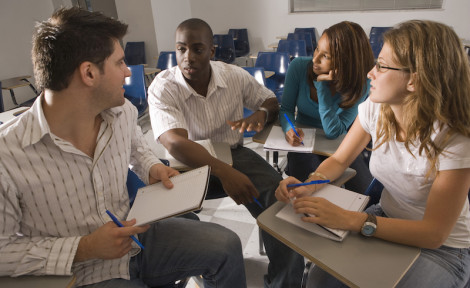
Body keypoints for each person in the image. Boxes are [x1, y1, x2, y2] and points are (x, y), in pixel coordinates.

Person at [0, 8, 246, 288]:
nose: (128, 71)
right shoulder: (7, 156)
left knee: (226, 245)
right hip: (82, 272)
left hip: (137, 239)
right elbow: (2, 253)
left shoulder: (122, 112)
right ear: (89, 73)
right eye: (120, 63)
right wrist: (86, 247)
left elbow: (138, 150)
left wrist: (152, 167)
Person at [276, 20, 470, 287]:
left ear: (414, 79)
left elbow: (434, 233)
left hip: (444, 249)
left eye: (381, 65)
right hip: (386, 218)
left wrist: (349, 219)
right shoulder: (376, 109)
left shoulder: (455, 137)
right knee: (320, 279)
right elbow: (340, 159)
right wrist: (309, 185)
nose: (370, 73)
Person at [148, 18, 304, 287]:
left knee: (280, 201)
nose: (187, 57)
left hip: (233, 154)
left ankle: (284, 282)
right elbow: (174, 143)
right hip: (185, 164)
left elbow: (269, 100)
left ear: (212, 51)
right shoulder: (163, 86)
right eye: (181, 49)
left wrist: (261, 113)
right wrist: (224, 172)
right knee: (173, 221)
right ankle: (202, 266)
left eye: (197, 49)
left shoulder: (233, 75)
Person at [280, 21, 374, 193]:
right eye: (317, 49)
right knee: (314, 192)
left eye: (326, 56)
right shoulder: (299, 66)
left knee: (365, 194)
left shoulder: (362, 83)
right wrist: (289, 127)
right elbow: (285, 109)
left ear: (347, 62)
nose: (315, 59)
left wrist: (322, 87)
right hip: (303, 144)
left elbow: (333, 132)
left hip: (340, 145)